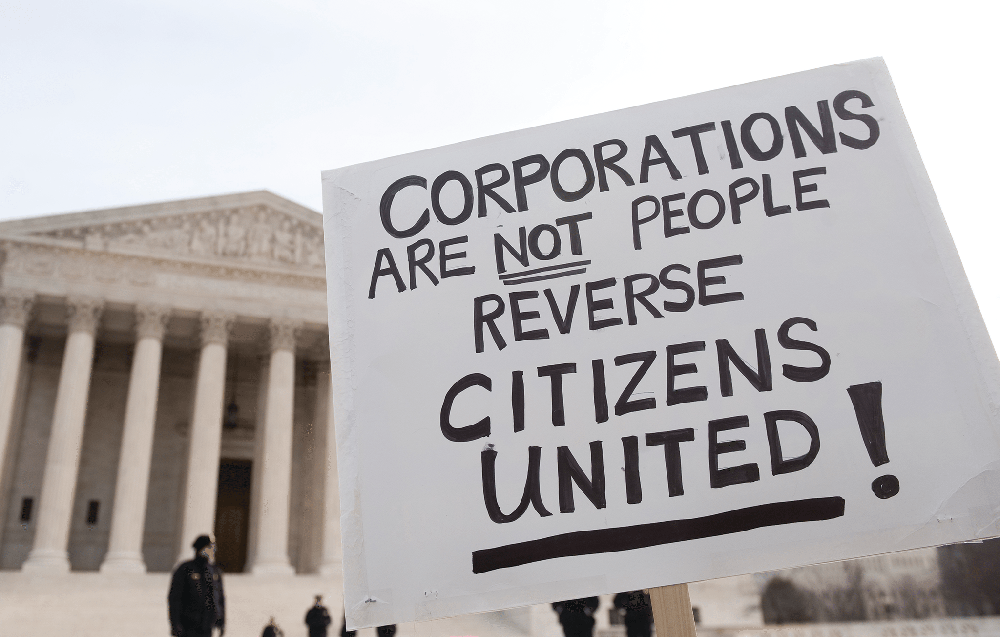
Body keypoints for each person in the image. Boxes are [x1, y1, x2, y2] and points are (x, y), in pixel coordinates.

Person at [168, 535, 226, 637]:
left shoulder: (215, 571)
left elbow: (220, 598)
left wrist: (221, 621)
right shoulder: (185, 569)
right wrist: (175, 623)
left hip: (207, 626)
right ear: (203, 548)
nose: (214, 549)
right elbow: (175, 598)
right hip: (188, 626)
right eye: (211, 547)